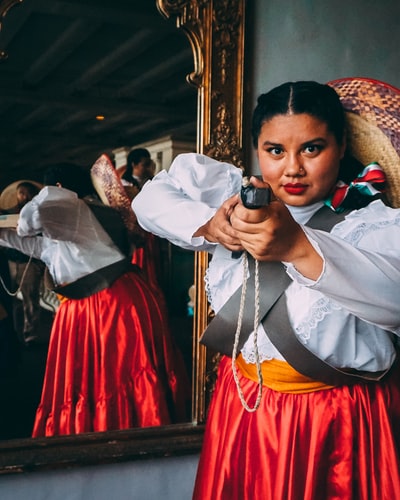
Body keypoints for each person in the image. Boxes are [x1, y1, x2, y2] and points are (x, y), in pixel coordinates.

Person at [132, 78, 400, 499]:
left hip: (331, 422)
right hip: (240, 404)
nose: (292, 168)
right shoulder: (238, 197)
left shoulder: (373, 226)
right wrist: (211, 227)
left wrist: (297, 247)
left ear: (341, 145)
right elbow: (148, 200)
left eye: (312, 148)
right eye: (275, 151)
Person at [0, 163, 189, 437]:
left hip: (107, 300)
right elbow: (42, 248)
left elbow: (31, 219)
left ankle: (119, 429)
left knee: (114, 375)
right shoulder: (77, 217)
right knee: (102, 377)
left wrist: (40, 198)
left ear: (59, 188)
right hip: (100, 298)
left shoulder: (70, 206)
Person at [0, 181, 45, 344]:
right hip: (10, 262)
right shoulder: (8, 213)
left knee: (30, 299)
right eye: (21, 192)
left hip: (29, 262)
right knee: (10, 301)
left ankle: (31, 333)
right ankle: (13, 333)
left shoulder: (38, 216)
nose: (24, 196)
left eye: (28, 193)